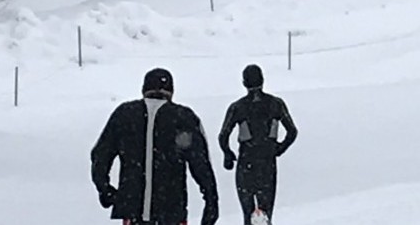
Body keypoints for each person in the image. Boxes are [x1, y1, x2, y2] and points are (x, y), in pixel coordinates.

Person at [92, 68, 219, 225]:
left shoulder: (124, 115)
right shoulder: (184, 118)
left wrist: (104, 189)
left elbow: (100, 154)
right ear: (171, 91)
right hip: (171, 211)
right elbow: (201, 164)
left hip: (133, 211)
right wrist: (211, 200)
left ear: (144, 89)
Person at [218, 65, 298, 225]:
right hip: (267, 163)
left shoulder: (237, 107)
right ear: (263, 80)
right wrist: (278, 149)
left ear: (243, 82)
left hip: (246, 164)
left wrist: (228, 154)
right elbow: (292, 131)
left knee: (248, 214)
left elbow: (223, 136)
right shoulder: (276, 104)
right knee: (266, 213)